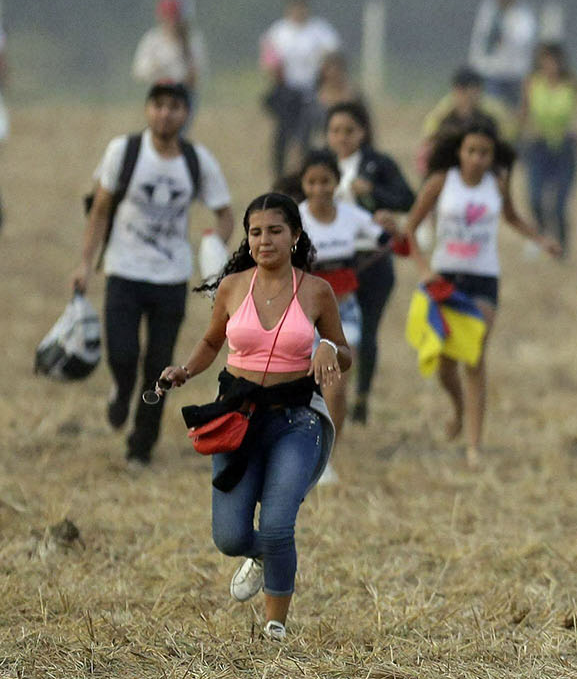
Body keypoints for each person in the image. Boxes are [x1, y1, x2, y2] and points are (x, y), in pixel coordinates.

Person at [154, 191, 351, 642]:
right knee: (229, 536)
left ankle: (275, 623)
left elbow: (345, 354)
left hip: (294, 422)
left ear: (295, 236)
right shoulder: (232, 286)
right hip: (237, 419)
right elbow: (210, 344)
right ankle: (265, 554)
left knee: (279, 524)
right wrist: (184, 370)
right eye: (256, 232)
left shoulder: (317, 291)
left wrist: (327, 348)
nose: (265, 240)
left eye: (276, 231)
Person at [72, 83, 234, 465]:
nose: (165, 114)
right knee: (124, 354)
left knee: (160, 365)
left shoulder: (197, 161)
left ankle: (141, 446)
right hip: (123, 271)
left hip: (171, 278)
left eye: (175, 107)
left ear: (185, 113)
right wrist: (84, 263)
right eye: (158, 106)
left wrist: (215, 245)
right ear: (148, 110)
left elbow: (225, 214)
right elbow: (99, 209)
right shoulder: (123, 152)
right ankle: (120, 388)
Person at [402, 120, 560, 466]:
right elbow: (409, 230)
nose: (477, 158)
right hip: (445, 278)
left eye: (484, 153)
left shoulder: (497, 184)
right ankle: (458, 408)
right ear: (459, 151)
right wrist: (424, 269)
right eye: (471, 151)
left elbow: (513, 217)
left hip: (484, 280)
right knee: (446, 364)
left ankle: (474, 446)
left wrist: (540, 239)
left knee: (473, 356)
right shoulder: (441, 182)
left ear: (493, 156)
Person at [294, 149, 386, 475]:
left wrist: (390, 224)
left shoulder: (351, 216)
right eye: (312, 182)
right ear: (303, 184)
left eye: (326, 181)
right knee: (303, 390)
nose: (320, 189)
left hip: (344, 315)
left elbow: (384, 237)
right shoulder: (294, 220)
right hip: (303, 320)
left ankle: (326, 458)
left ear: (336, 182)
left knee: (336, 387)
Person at [323, 101, 414, 423]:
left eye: (349, 131)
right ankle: (332, 396)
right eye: (335, 131)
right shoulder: (320, 165)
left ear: (363, 132)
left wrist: (373, 192)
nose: (342, 138)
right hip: (332, 262)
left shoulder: (379, 164)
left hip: (373, 259)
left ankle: (361, 395)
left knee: (368, 329)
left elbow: (407, 198)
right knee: (332, 332)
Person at [516, 42, 577, 256]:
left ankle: (562, 244)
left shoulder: (572, 86)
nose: (550, 66)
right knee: (535, 197)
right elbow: (523, 114)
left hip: (565, 149)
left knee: (558, 204)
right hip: (538, 148)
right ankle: (540, 236)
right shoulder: (532, 84)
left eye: (553, 61)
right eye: (545, 60)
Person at [260, 0, 343, 175]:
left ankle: (312, 166)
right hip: (287, 90)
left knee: (311, 130)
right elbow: (269, 59)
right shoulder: (279, 32)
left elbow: (333, 56)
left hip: (312, 88)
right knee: (284, 132)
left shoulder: (320, 30)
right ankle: (279, 170)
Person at [419, 65, 515, 173]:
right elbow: (429, 137)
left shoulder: (490, 114)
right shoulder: (444, 114)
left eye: (475, 90)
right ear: (457, 90)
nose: (470, 96)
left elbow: (507, 136)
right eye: (464, 91)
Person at [468, 0, 537, 108]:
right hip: (490, 70)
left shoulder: (523, 13)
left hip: (515, 72)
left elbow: (524, 39)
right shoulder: (488, 9)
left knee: (514, 108)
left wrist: (506, 29)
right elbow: (480, 38)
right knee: (493, 107)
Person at [132, 0, 207, 92]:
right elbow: (140, 71)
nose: (171, 22)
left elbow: (199, 73)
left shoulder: (191, 41)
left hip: (183, 93)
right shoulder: (151, 39)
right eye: (167, 16)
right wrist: (158, 67)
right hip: (157, 92)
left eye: (174, 17)